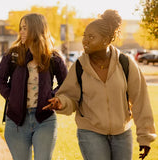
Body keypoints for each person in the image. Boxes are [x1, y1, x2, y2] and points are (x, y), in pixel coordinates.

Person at [43, 9, 157, 160]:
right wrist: (61, 102)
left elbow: (141, 101)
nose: (85, 41)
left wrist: (145, 137)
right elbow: (70, 97)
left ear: (106, 40)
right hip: (90, 132)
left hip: (122, 133)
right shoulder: (79, 67)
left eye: (91, 37)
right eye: (84, 37)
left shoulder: (125, 63)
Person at [0, 13, 68, 160]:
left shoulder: (53, 57)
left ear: (36, 29)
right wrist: (12, 96)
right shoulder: (13, 55)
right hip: (16, 121)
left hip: (45, 120)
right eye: (20, 28)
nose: (21, 32)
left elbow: (66, 83)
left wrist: (54, 96)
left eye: (25, 28)